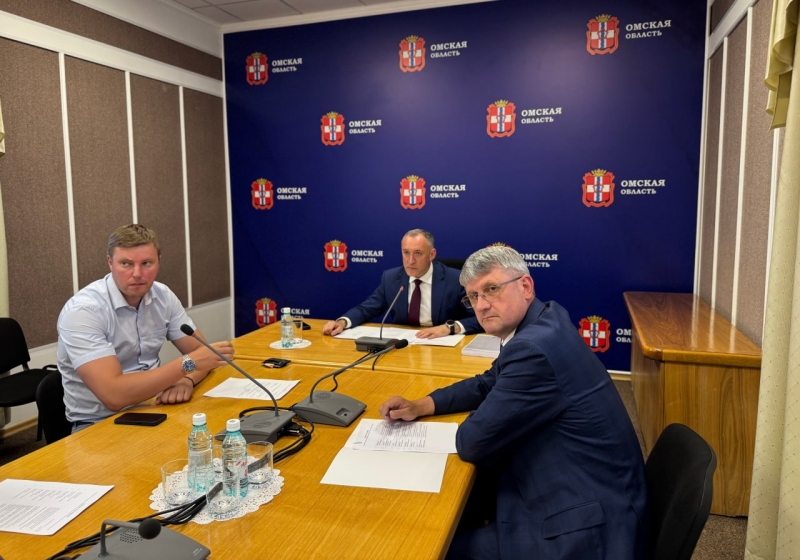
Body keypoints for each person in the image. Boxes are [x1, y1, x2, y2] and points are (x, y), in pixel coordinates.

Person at [379, 246, 648, 559]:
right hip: (592, 484)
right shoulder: (547, 317)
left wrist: (488, 411)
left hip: (588, 525)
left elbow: (471, 441)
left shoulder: (533, 349)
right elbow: (488, 381)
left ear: (526, 286)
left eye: (492, 289)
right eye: (473, 296)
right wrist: (423, 404)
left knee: (429, 546)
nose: (482, 305)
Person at [57, 224, 234, 431]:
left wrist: (187, 380)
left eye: (146, 263)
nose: (137, 273)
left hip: (155, 407)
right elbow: (114, 396)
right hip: (99, 424)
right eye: (126, 264)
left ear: (159, 261)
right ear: (110, 263)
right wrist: (188, 364)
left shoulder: (163, 296)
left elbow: (204, 355)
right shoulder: (83, 311)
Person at [322, 229, 481, 339]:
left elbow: (480, 318)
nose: (410, 261)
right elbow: (366, 309)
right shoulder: (391, 278)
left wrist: (449, 327)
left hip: (443, 347)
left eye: (418, 253)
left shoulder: (456, 279)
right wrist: (342, 322)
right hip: (404, 347)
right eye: (406, 253)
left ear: (431, 254)